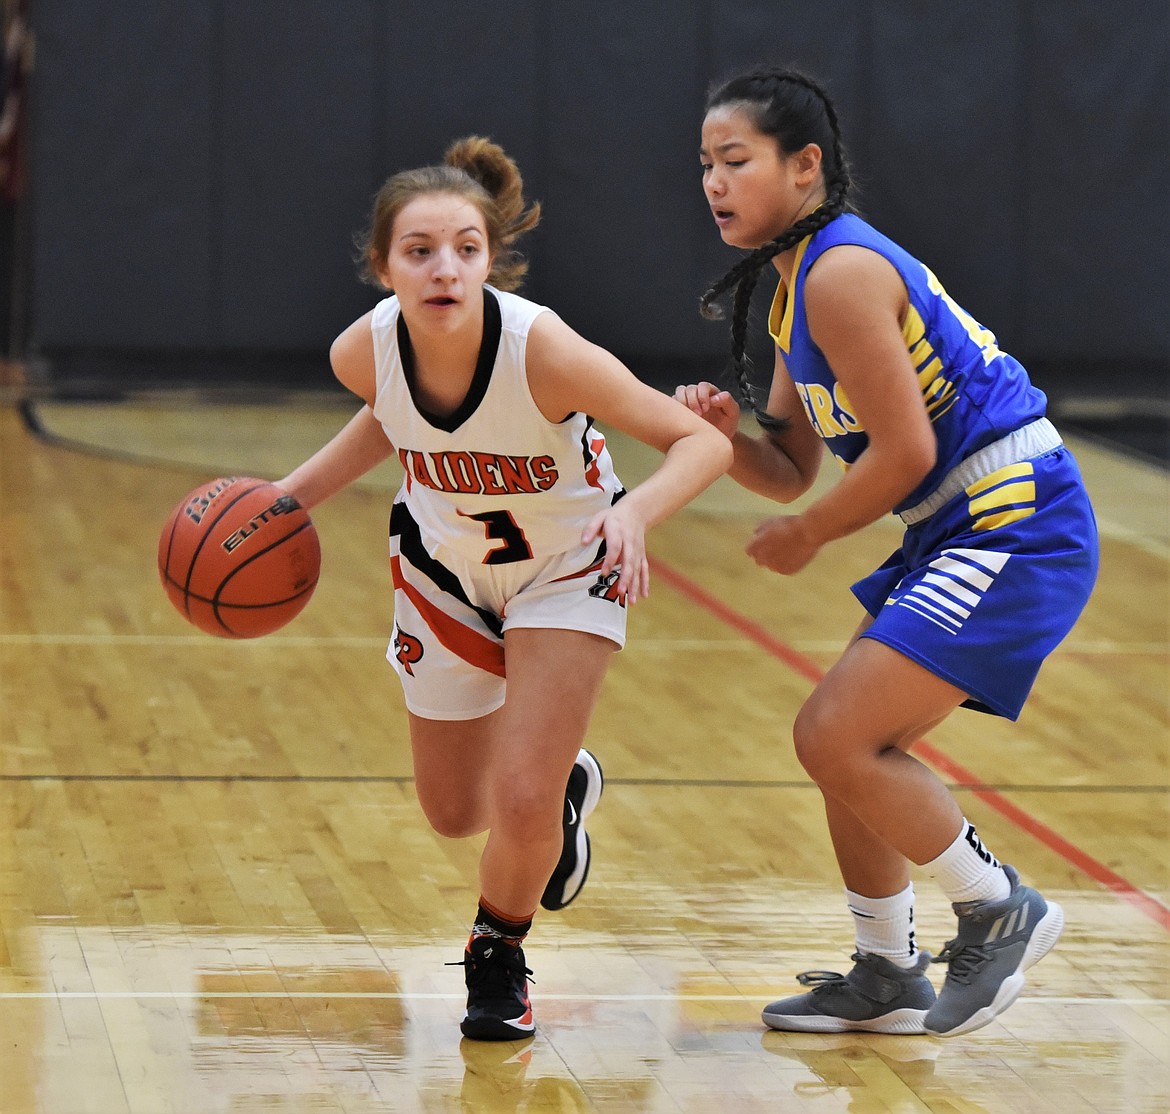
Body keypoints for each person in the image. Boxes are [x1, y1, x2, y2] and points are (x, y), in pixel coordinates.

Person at [277, 136, 733, 1041]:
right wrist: (285, 501)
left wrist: (635, 513)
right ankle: (565, 792)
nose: (444, 269)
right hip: (445, 572)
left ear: (492, 260)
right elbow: (390, 420)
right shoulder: (360, 353)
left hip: (570, 565)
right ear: (382, 268)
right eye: (419, 251)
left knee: (518, 803)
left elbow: (704, 440)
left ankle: (498, 953)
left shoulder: (542, 349)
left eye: (465, 250)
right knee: (457, 814)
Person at [675, 66, 1098, 1037]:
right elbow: (787, 463)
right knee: (853, 746)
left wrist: (810, 533)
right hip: (957, 521)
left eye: (735, 160)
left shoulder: (842, 273)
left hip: (1016, 518)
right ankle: (887, 969)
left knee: (835, 733)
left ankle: (998, 906)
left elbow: (903, 451)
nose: (714, 182)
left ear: (806, 165)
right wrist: (705, 433)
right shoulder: (793, 293)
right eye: (705, 165)